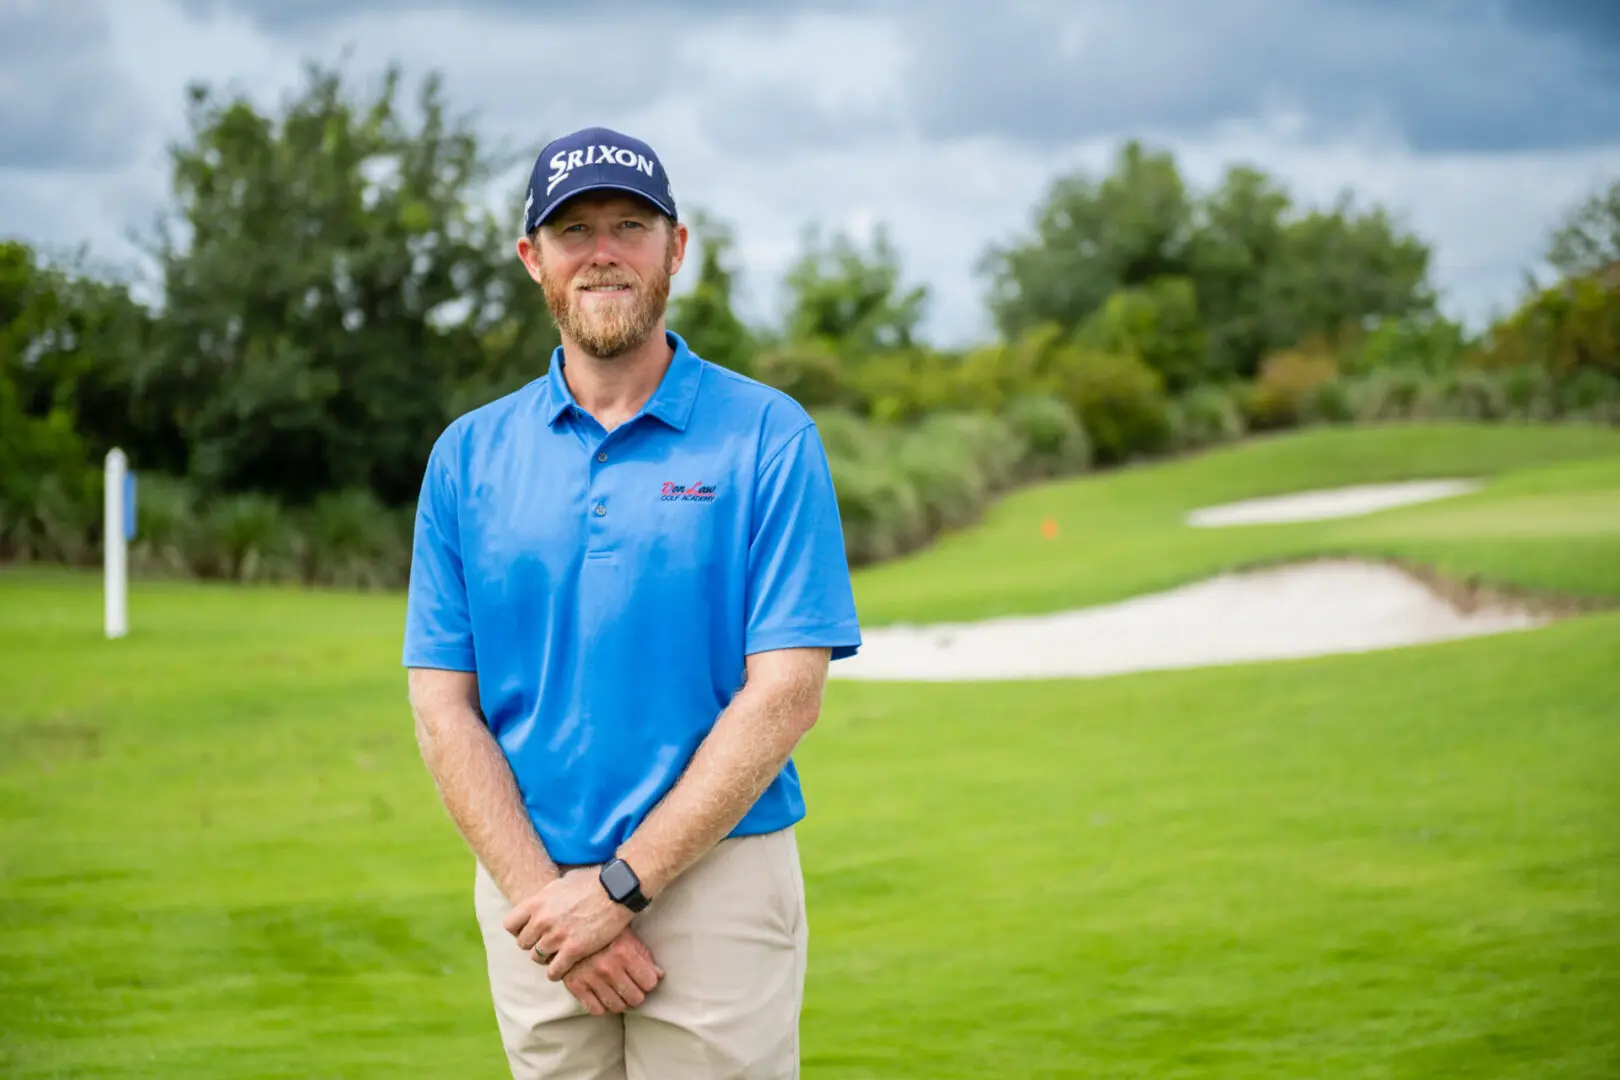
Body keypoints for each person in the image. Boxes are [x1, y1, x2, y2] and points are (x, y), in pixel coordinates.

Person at [401, 125, 862, 1079]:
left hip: (717, 882)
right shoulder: (467, 456)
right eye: (573, 231)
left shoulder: (768, 435)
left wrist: (621, 887)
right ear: (534, 259)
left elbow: (786, 692)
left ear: (675, 248)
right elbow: (443, 704)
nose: (602, 252)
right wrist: (553, 897)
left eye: (629, 225)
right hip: (533, 894)